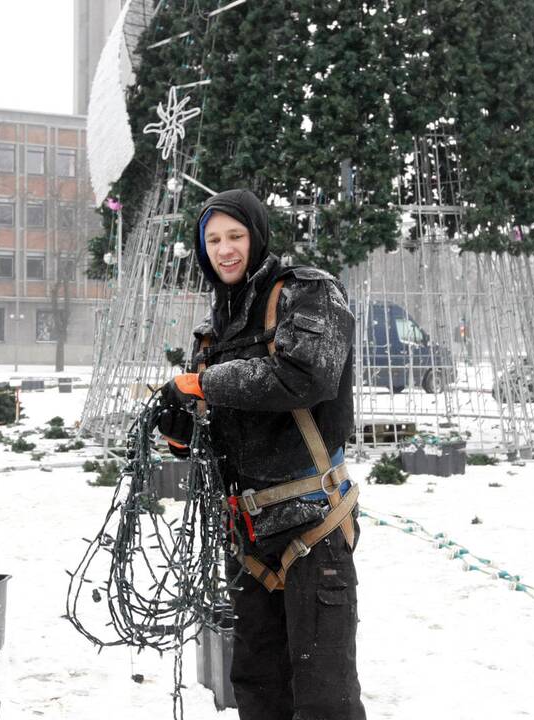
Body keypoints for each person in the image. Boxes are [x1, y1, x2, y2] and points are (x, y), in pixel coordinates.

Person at [157, 189, 365, 719]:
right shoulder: (214, 331)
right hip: (248, 538)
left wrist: (204, 385)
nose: (224, 250)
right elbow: (216, 408)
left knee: (324, 696)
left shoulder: (309, 292)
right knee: (257, 686)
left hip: (311, 528)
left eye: (235, 236)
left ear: (256, 236)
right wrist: (184, 427)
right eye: (213, 240)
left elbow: (306, 374)